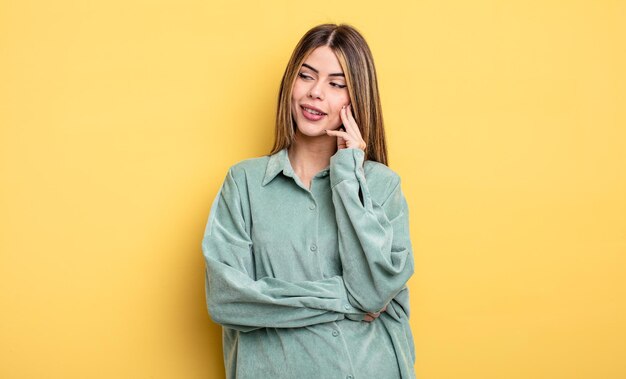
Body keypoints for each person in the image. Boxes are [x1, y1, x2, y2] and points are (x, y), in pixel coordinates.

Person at [201, 23, 416, 379]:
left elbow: (373, 290)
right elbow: (227, 299)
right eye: (306, 76)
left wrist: (349, 177)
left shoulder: (382, 186)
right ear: (290, 84)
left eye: (336, 84)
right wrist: (343, 300)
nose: (316, 93)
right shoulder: (244, 184)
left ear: (357, 97)